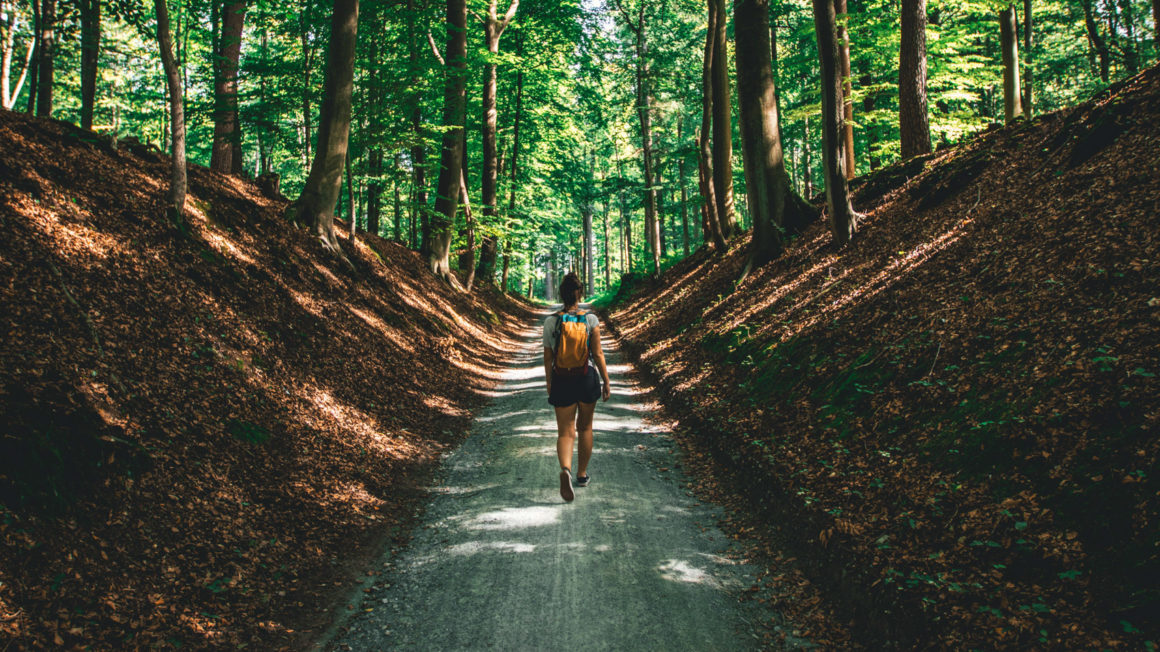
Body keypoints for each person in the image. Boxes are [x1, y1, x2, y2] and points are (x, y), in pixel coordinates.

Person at [543, 272, 611, 502]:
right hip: (586, 377)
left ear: (561, 294)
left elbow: (548, 357)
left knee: (565, 431)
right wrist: (606, 380)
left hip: (562, 378)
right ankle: (581, 474)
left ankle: (565, 469)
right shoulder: (590, 320)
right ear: (579, 293)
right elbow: (598, 353)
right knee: (585, 427)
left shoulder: (551, 321)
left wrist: (550, 383)